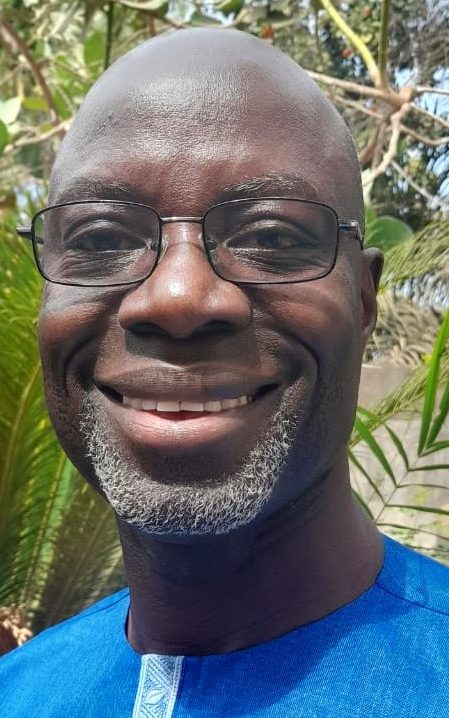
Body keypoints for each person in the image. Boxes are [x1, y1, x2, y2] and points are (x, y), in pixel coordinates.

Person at [1, 27, 448, 718]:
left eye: (270, 236)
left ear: (362, 303)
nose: (178, 298)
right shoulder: (20, 690)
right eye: (101, 238)